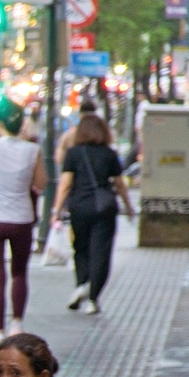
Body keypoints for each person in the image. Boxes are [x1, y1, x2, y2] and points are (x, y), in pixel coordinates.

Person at [0, 98, 47, 356]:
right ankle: (17, 324)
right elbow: (41, 183)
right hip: (21, 218)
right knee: (19, 273)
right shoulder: (31, 150)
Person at [52, 112, 132, 315]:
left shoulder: (73, 153)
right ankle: (93, 299)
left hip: (79, 206)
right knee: (101, 253)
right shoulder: (109, 154)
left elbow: (65, 184)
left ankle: (81, 284)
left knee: (81, 248)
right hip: (104, 208)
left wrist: (57, 210)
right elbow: (120, 185)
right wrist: (129, 207)